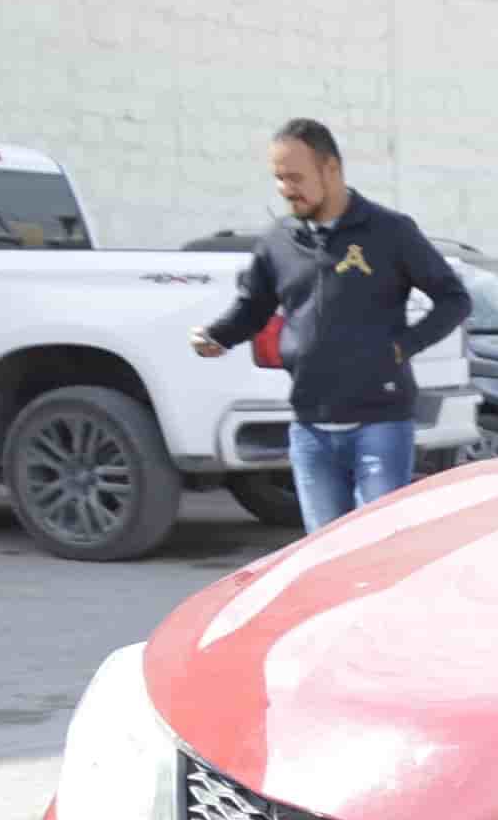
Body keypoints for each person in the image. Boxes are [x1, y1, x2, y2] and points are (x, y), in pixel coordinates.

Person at [193, 119, 469, 531]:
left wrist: (404, 346)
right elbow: (253, 308)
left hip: (381, 424)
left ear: (332, 170)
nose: (286, 189)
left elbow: (454, 299)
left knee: (376, 546)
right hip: (310, 430)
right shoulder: (278, 241)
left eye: (296, 177)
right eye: (279, 178)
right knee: (322, 555)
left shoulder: (389, 232)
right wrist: (218, 336)